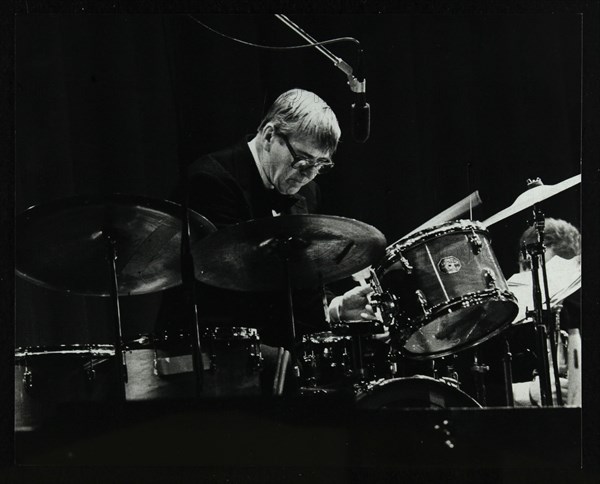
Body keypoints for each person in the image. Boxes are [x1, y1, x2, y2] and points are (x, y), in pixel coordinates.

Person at [157, 88, 375, 393]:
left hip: (270, 351)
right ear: (270, 135)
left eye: (321, 165)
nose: (309, 175)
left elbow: (300, 275)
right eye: (302, 160)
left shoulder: (306, 192)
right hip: (211, 357)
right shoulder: (211, 181)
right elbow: (236, 286)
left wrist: (337, 307)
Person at [511, 218, 581, 406]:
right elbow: (475, 388)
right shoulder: (510, 323)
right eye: (524, 266)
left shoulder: (577, 315)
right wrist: (528, 392)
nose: (525, 276)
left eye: (535, 267)